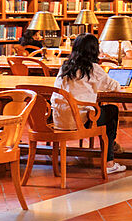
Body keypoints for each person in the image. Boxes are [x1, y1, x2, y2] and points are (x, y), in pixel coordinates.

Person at [52, 34, 125, 175]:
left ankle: (111, 147)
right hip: (81, 120)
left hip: (60, 119)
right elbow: (114, 86)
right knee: (112, 111)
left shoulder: (65, 67)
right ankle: (109, 160)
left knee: (102, 112)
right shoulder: (92, 68)